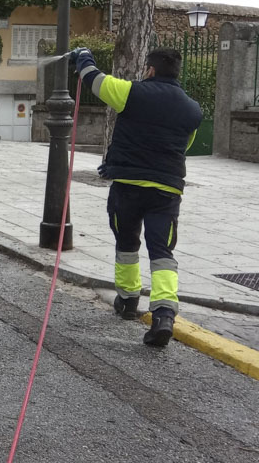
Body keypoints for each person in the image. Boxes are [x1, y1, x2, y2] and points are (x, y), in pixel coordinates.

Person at [69, 47, 202, 347]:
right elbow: (183, 146)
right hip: (166, 191)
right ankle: (164, 315)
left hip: (128, 187)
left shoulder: (131, 93)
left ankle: (128, 301)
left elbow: (95, 80)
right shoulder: (193, 111)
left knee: (127, 242)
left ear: (151, 70)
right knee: (162, 252)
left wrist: (83, 57)